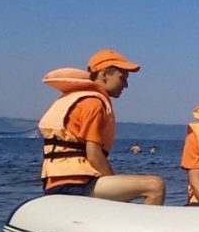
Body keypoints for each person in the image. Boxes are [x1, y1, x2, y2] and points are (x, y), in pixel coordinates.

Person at [38, 49, 166, 204]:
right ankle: (142, 227)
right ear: (104, 74)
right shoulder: (94, 103)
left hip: (58, 183)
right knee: (155, 186)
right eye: (122, 78)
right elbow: (94, 155)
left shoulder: (76, 98)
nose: (126, 85)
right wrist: (117, 188)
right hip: (75, 185)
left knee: (128, 186)